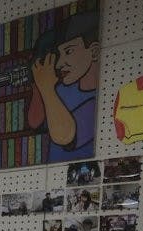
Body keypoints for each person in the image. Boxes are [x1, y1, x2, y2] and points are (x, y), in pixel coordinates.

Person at [28, 12, 100, 161]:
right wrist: (37, 85)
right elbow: (35, 123)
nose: (60, 63)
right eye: (60, 55)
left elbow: (65, 136)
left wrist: (47, 89)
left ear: (94, 51)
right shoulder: (60, 90)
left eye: (69, 51)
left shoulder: (95, 101)